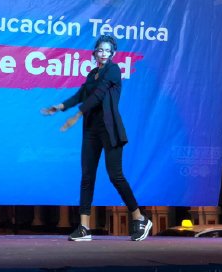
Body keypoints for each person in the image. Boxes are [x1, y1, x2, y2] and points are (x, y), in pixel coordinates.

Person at [42, 35, 152, 242]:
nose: (103, 54)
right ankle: (84, 228)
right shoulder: (92, 74)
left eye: (107, 51)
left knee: (115, 176)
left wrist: (78, 114)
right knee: (87, 177)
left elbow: (99, 95)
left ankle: (140, 217)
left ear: (112, 54)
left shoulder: (113, 70)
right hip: (91, 130)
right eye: (100, 50)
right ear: (95, 52)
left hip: (110, 130)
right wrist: (61, 107)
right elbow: (82, 94)